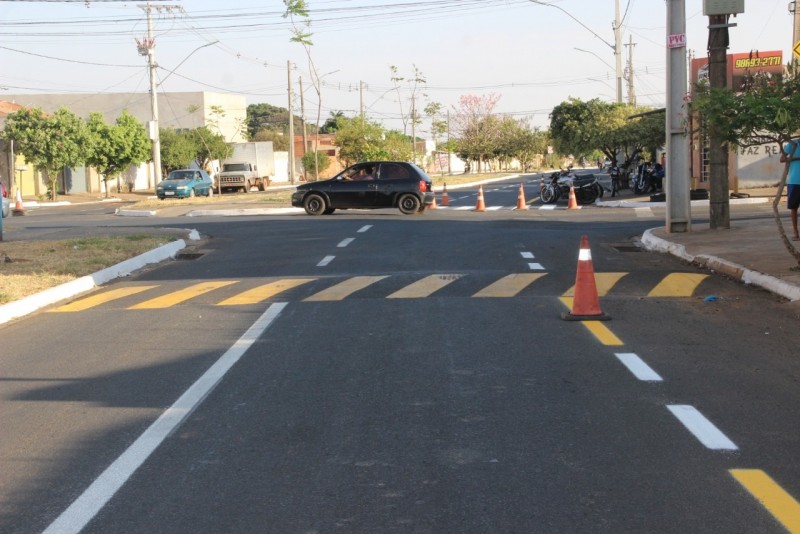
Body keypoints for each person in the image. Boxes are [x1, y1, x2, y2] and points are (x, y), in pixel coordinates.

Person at [780, 137, 800, 240]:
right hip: (794, 181)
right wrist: (797, 158)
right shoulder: (792, 144)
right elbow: (782, 159)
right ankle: (796, 232)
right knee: (793, 208)